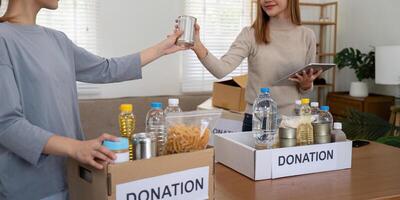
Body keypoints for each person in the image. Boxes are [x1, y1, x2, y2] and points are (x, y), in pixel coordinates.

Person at [0, 0, 185, 199]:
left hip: (73, 178)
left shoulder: (58, 40)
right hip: (30, 188)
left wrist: (162, 49)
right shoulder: (4, 39)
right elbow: (7, 125)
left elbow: (106, 69)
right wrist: (76, 147)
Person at [191, 0, 322, 131]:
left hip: (293, 121)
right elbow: (220, 70)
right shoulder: (250, 34)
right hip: (257, 121)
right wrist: (197, 45)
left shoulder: (307, 36)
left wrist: (306, 84)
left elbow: (305, 89)